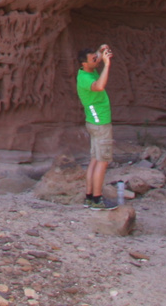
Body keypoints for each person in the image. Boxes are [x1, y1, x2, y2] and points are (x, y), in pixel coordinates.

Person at [76, 44, 115, 208]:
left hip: (94, 122)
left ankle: (89, 196)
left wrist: (101, 49)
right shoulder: (86, 78)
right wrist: (107, 65)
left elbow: (96, 56)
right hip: (100, 123)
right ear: (84, 63)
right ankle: (97, 200)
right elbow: (99, 86)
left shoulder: (86, 71)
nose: (97, 60)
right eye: (93, 59)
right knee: (102, 161)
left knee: (94, 159)